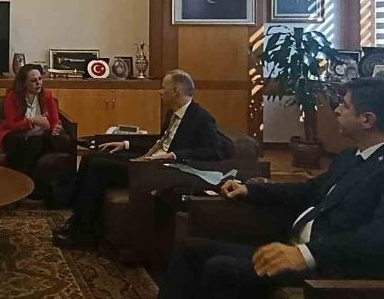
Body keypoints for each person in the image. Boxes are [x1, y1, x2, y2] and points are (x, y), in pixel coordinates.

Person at [160, 77, 384, 299]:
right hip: (293, 244)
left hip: (327, 266)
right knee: (189, 249)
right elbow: (309, 190)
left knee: (220, 268)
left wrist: (306, 253)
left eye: (345, 105)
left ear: (367, 120)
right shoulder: (349, 156)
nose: (337, 110)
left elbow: (376, 236)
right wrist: (250, 190)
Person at [54, 69, 224, 248]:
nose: (160, 92)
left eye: (163, 87)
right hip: (148, 160)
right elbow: (159, 141)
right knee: (90, 157)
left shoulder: (201, 118)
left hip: (161, 170)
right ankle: (77, 219)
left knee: (98, 166)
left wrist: (175, 155)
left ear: (175, 91)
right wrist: (126, 144)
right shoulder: (173, 114)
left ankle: (82, 234)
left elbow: (215, 151)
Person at [0, 64, 70, 195]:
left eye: (40, 79)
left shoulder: (47, 95)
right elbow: (12, 125)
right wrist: (32, 121)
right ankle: (24, 186)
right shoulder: (12, 97)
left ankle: (45, 187)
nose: (38, 83)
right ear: (23, 83)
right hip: (15, 135)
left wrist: (56, 128)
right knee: (31, 144)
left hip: (38, 136)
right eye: (33, 81)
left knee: (57, 140)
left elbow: (55, 121)